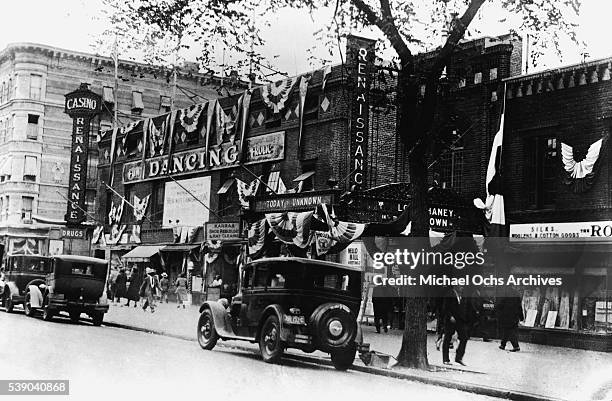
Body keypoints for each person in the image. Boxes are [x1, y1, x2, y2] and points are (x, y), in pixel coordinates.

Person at [441, 285, 473, 366]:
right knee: (447, 338)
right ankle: (445, 359)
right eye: (460, 286)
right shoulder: (449, 294)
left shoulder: (462, 295)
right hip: (451, 320)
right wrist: (450, 316)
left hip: (460, 320)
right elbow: (445, 307)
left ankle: (459, 357)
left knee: (464, 337)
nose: (462, 287)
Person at [497, 286, 524, 352]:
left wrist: (497, 313)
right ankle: (503, 345)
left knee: (509, 331)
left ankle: (516, 346)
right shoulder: (516, 294)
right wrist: (521, 317)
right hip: (514, 317)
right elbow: (519, 307)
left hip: (506, 316)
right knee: (508, 330)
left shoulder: (504, 293)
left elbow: (499, 305)